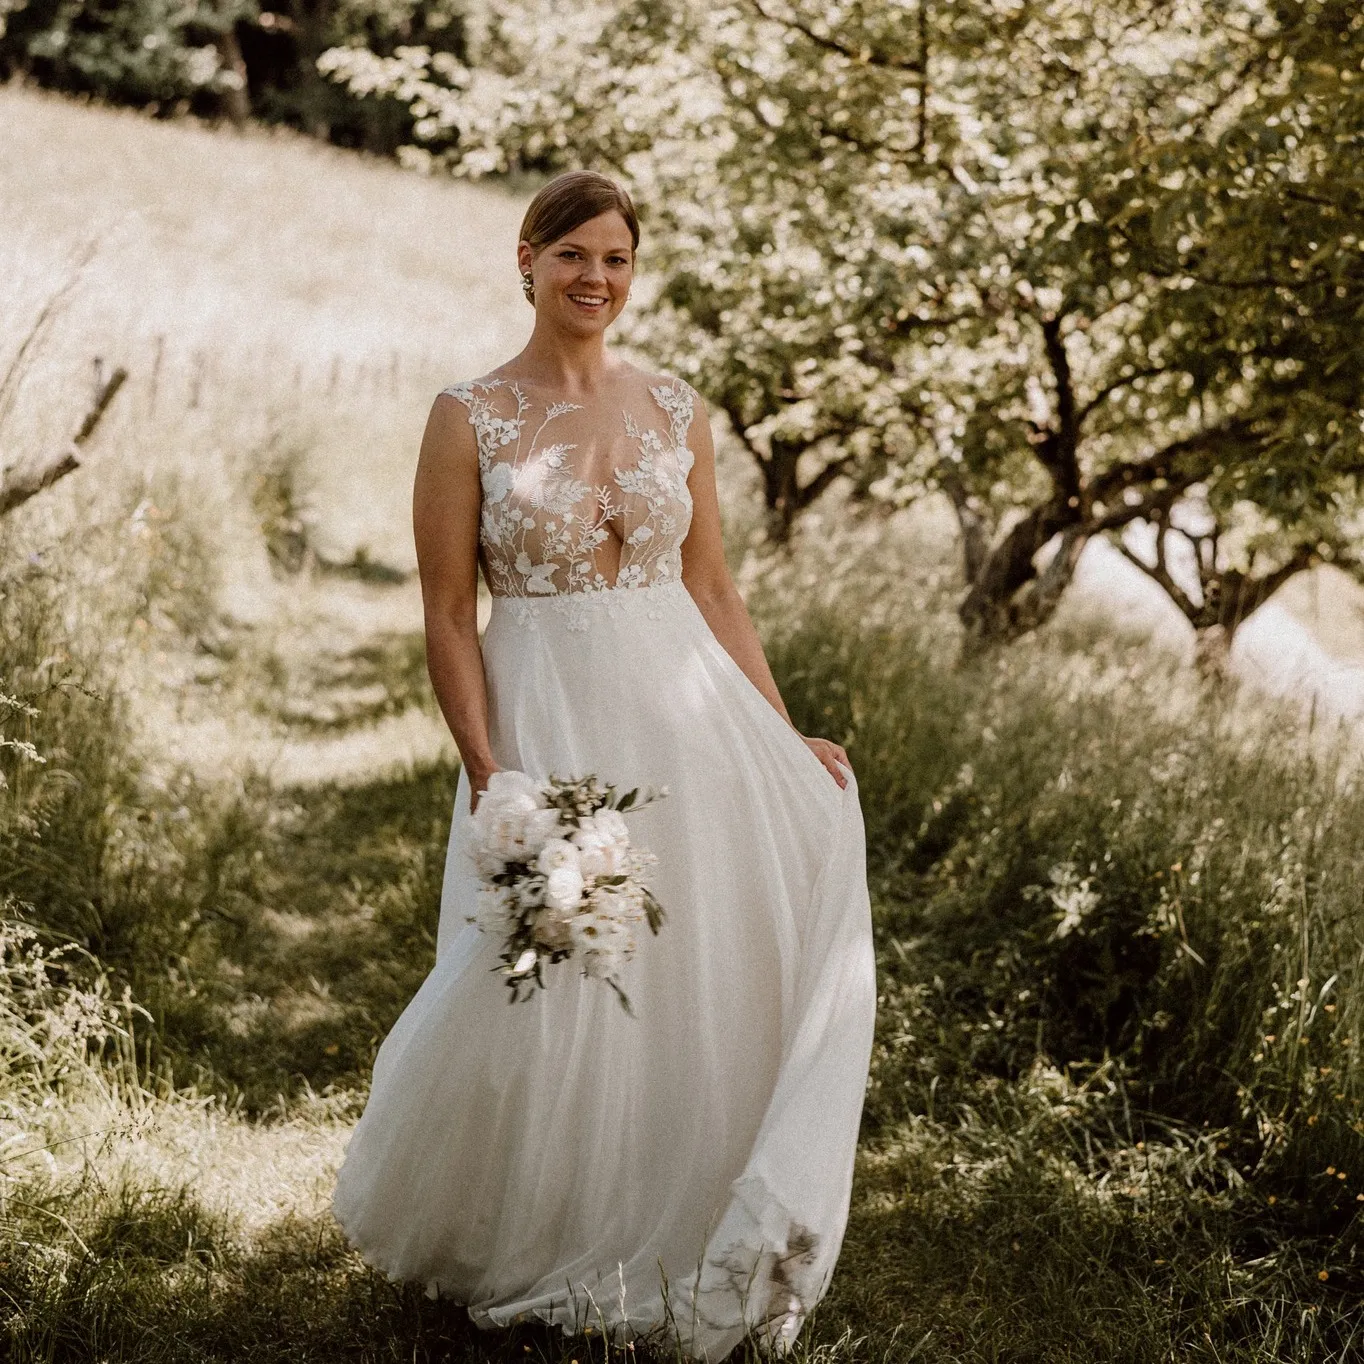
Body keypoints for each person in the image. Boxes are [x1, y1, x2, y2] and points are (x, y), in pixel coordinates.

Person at [331, 169, 876, 1360]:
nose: (595, 278)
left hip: (689, 709)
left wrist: (780, 734)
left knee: (698, 964)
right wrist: (490, 771)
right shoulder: (464, 414)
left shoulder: (677, 406)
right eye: (572, 253)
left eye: (616, 259)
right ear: (522, 258)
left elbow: (714, 586)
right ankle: (533, 1224)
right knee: (552, 971)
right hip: (554, 709)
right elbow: (446, 611)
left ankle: (689, 1213)